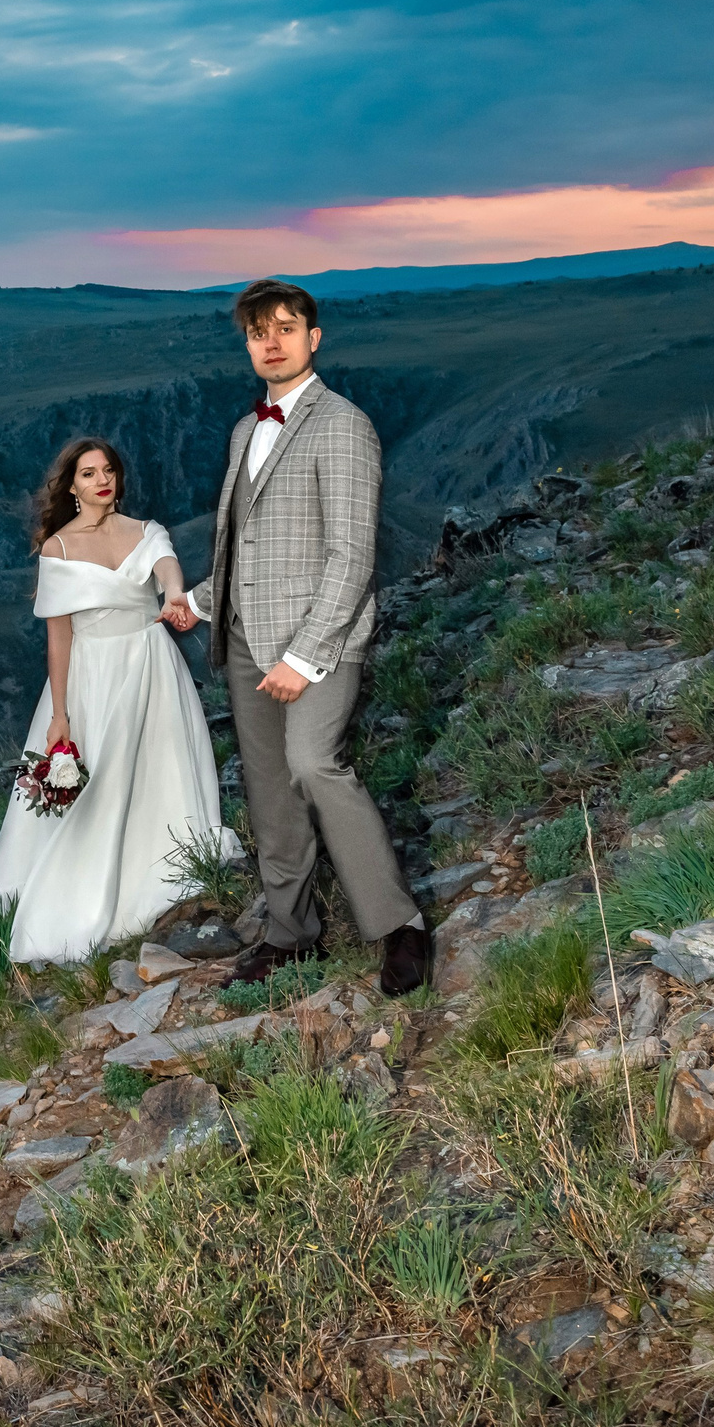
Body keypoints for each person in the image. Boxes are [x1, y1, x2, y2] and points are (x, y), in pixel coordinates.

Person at [160, 279, 433, 997]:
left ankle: (400, 926)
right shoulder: (245, 432)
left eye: (286, 327)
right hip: (247, 640)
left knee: (314, 764)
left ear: (314, 337)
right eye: (258, 332)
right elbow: (247, 553)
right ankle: (291, 935)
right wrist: (194, 602)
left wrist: (302, 658)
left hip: (321, 642)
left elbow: (351, 557)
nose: (271, 342)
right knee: (269, 790)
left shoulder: (343, 425)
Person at [0, 438, 236, 963]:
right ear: (72, 486)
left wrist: (176, 597)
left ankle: (163, 864)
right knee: (96, 780)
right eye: (88, 473)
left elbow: (167, 571)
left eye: (108, 469)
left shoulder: (146, 531)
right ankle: (77, 888)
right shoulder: (58, 550)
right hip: (91, 678)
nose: (101, 480)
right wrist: (60, 714)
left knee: (162, 766)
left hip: (151, 665)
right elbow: (59, 637)